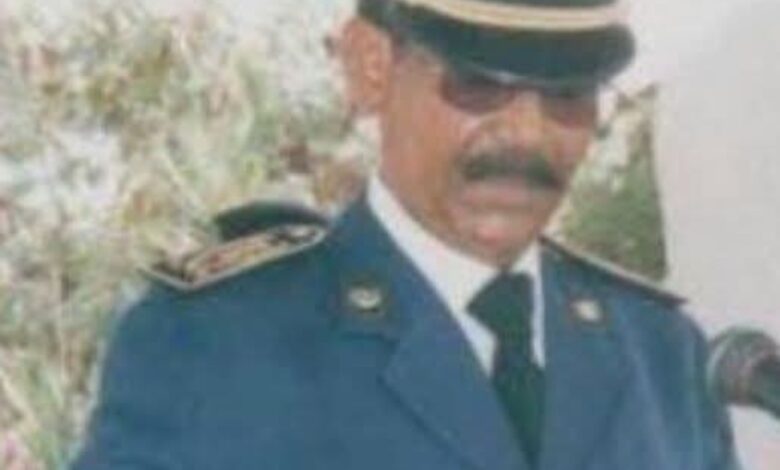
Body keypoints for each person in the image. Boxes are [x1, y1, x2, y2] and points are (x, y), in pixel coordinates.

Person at [72, 0, 741, 469]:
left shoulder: (661, 356)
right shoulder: (218, 343)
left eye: (569, 95)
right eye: (479, 84)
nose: (528, 135)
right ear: (371, 66)